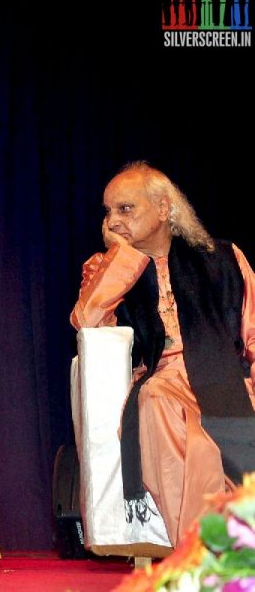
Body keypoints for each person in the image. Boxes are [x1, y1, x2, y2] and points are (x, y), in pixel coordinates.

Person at [70, 160, 255, 546]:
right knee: (160, 408)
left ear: (163, 209)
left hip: (227, 376)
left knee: (212, 440)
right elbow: (87, 320)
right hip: (164, 382)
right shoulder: (103, 268)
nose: (113, 221)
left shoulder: (223, 258)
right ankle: (207, 557)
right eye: (108, 211)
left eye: (125, 209)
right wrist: (122, 260)